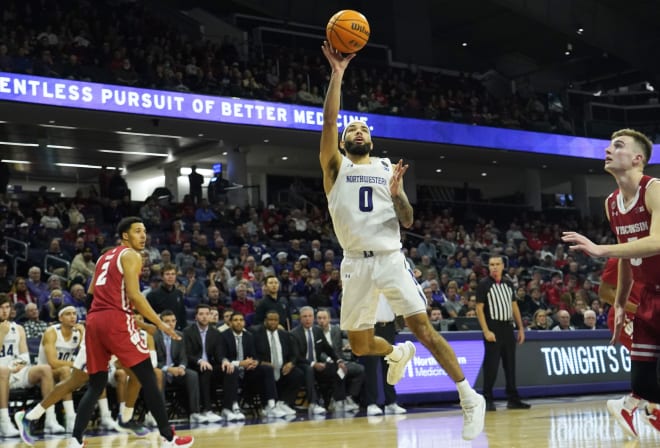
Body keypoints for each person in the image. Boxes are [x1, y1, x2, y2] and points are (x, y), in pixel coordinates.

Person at [319, 40, 485, 440]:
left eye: (363, 128)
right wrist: (337, 75)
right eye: (351, 129)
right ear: (343, 142)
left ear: (371, 141)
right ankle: (396, 352)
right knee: (359, 346)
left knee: (423, 328)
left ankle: (468, 396)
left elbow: (408, 219)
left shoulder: (387, 168)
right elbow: (328, 123)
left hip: (391, 258)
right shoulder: (334, 166)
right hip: (355, 262)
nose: (356, 130)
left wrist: (397, 194)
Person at [561, 129, 660, 435]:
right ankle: (636, 407)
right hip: (647, 296)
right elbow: (629, 260)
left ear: (637, 158)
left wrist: (601, 248)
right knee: (641, 381)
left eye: (618, 145)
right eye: (608, 145)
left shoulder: (654, 189)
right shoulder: (612, 204)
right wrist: (619, 305)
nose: (608, 149)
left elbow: (657, 242)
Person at [64, 217, 193, 448]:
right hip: (116, 319)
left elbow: (90, 294)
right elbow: (135, 296)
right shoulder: (131, 255)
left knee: (96, 383)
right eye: (137, 231)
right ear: (125, 236)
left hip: (94, 319)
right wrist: (160, 323)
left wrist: (97, 319)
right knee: (149, 377)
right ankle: (169, 438)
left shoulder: (104, 257)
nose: (143, 236)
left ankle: (75, 440)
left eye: (144, 231)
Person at [0, 294, 63, 437]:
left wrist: (16, 366)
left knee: (45, 369)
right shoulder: (4, 330)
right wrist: (1, 334)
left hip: (16, 371)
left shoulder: (18, 328)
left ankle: (50, 419)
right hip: (2, 373)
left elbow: (24, 357)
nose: (4, 311)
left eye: (7, 307)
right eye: (1, 307)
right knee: (3, 371)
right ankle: (4, 422)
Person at [475, 256, 530, 412]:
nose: (494, 267)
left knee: (510, 364)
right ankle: (487, 398)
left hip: (507, 327)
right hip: (493, 327)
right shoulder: (483, 285)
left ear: (503, 266)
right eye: (491, 264)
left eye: (497, 264)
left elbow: (514, 306)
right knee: (491, 365)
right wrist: (486, 331)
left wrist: (520, 328)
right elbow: (479, 309)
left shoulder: (508, 283)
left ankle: (513, 398)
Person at [599, 257, 642, 437]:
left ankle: (648, 408)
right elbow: (604, 292)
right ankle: (630, 406)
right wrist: (639, 310)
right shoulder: (621, 256)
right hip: (626, 316)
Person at [154, 309, 209, 424]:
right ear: (160, 323)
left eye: (173, 321)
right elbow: (153, 361)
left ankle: (195, 413)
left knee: (192, 375)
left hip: (177, 371)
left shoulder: (180, 335)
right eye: (167, 321)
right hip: (160, 370)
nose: (171, 324)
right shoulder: (154, 336)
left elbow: (184, 357)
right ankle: (160, 416)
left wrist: (182, 368)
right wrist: (168, 369)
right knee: (159, 376)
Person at [363, 296, 407, 416]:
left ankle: (391, 402)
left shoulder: (389, 284)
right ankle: (371, 403)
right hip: (371, 327)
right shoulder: (365, 284)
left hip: (389, 327)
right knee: (371, 367)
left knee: (389, 364)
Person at [253, 310, 303, 414]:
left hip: (282, 369)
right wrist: (261, 362)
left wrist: (291, 363)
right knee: (267, 370)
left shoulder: (284, 335)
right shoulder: (256, 334)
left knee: (298, 373)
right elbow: (252, 353)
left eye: (275, 320)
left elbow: (294, 354)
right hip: (263, 370)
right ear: (265, 321)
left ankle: (283, 403)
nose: (273, 322)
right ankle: (270, 405)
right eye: (270, 320)